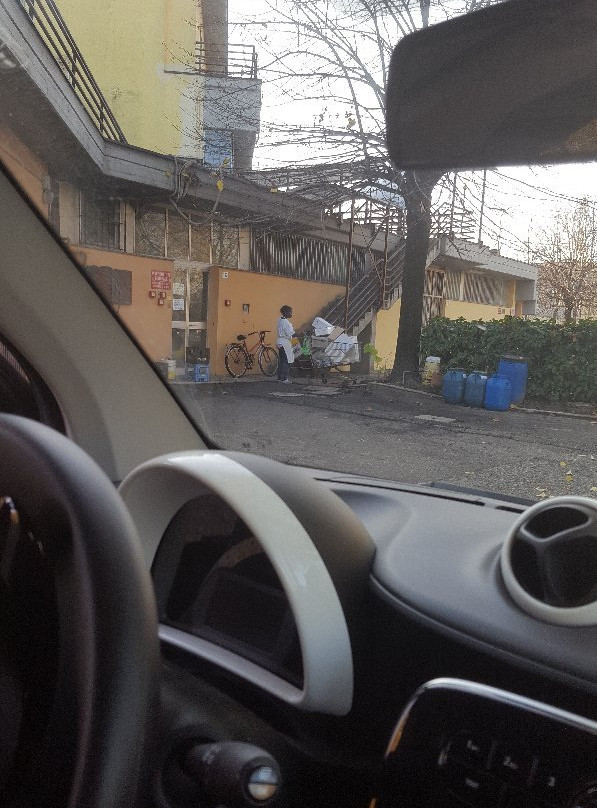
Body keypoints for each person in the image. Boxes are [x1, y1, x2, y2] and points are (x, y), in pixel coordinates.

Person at [276, 305, 295, 383]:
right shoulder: (285, 322)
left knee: (282, 360)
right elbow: (290, 333)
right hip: (285, 343)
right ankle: (284, 378)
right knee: (286, 361)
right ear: (286, 312)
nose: (291, 314)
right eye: (290, 312)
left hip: (280, 342)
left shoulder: (280, 320)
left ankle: (279, 377)